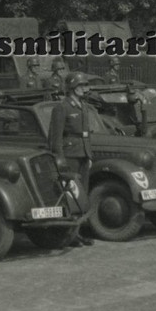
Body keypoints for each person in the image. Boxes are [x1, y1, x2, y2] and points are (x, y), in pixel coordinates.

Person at [48, 71, 96, 246]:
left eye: (86, 85)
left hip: (83, 155)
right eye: (82, 85)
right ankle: (69, 235)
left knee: (82, 194)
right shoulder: (62, 107)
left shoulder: (83, 106)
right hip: (70, 156)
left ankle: (80, 232)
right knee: (70, 195)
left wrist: (89, 154)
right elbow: (56, 137)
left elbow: (86, 135)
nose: (85, 88)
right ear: (73, 88)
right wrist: (59, 160)